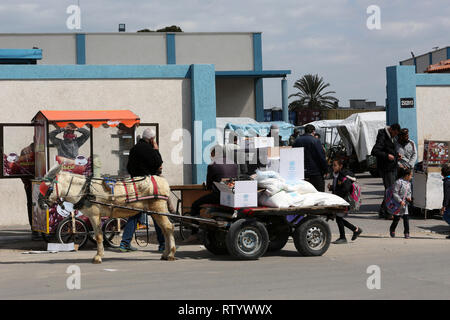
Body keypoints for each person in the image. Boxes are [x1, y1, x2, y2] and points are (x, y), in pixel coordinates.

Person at [120, 128, 166, 252]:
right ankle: (163, 244)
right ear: (151, 139)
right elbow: (158, 163)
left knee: (135, 213)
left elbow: (129, 167)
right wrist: (156, 148)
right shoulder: (150, 150)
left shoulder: (134, 149)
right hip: (147, 185)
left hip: (135, 184)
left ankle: (124, 243)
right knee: (157, 213)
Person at [183, 145, 238, 243]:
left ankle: (194, 233)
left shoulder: (213, 165)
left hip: (219, 196)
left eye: (211, 154)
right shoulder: (233, 164)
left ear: (215, 154)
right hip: (232, 195)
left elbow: (209, 186)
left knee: (195, 205)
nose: (210, 156)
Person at [328, 158, 362, 244]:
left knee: (339, 218)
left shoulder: (343, 175)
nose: (333, 167)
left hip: (344, 200)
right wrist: (332, 187)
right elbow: (338, 187)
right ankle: (355, 230)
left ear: (340, 166)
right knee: (339, 218)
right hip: (339, 198)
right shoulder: (336, 174)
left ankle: (343, 237)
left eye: (335, 165)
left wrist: (337, 194)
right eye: (333, 165)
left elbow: (346, 188)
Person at [371, 123, 401, 219]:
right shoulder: (382, 135)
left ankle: (383, 210)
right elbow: (375, 151)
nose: (395, 136)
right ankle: (388, 213)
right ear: (391, 129)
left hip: (392, 167)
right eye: (394, 133)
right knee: (390, 191)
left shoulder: (392, 137)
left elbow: (390, 149)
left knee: (389, 189)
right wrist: (387, 156)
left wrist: (396, 155)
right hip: (386, 168)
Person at [293, 124, 328, 192]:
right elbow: (321, 156)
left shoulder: (297, 141)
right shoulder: (315, 141)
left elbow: (293, 155)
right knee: (318, 193)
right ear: (313, 131)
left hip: (301, 173)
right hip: (315, 173)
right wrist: (325, 169)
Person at [389, 167, 413, 239]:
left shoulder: (409, 183)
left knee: (406, 219)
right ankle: (392, 229)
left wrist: (409, 197)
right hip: (398, 203)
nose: (411, 177)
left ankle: (406, 232)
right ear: (406, 175)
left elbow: (409, 192)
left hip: (405, 204)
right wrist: (400, 201)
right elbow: (395, 193)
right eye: (411, 175)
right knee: (396, 219)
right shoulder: (398, 182)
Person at [440, 164, 450, 239]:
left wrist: (444, 206)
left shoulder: (446, 182)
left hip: (449, 203)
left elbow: (446, 195)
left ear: (442, 174)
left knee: (445, 216)